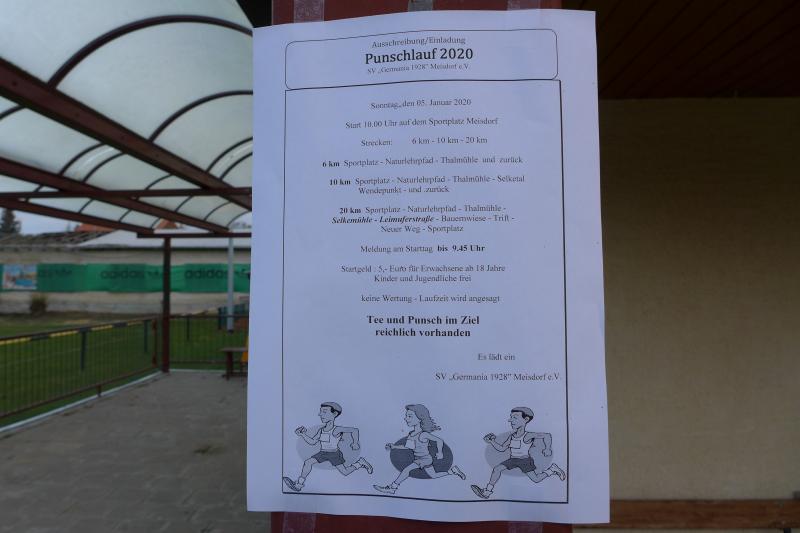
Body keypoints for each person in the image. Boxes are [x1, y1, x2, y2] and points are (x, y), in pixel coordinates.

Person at [471, 407, 565, 499]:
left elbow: (547, 435)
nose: (510, 420)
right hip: (513, 459)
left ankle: (552, 470)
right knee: (497, 469)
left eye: (515, 417)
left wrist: (548, 448)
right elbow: (502, 448)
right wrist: (492, 442)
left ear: (526, 419)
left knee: (536, 479)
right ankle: (487, 492)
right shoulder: (511, 436)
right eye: (511, 417)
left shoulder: (528, 435)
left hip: (524, 461)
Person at [374, 404, 465, 494]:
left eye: (410, 416)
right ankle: (452, 471)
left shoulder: (423, 434)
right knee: (434, 475)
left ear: (420, 418)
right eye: (406, 416)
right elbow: (408, 447)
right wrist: (394, 447)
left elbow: (439, 440)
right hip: (419, 459)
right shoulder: (412, 434)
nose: (406, 418)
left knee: (406, 470)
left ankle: (393, 488)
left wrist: (440, 452)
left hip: (424, 459)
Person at [283, 402, 373, 492]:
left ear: (335, 414)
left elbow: (354, 430)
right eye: (320, 412)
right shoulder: (321, 430)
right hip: (323, 453)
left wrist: (355, 443)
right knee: (308, 462)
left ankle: (360, 463)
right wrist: (302, 435)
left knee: (345, 472)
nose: (320, 414)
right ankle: (299, 484)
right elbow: (313, 442)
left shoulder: (337, 429)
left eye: (324, 412)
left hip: (334, 454)